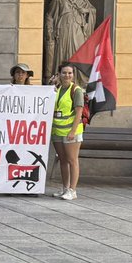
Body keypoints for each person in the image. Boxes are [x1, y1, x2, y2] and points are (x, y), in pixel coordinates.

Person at [44, 0, 96, 80]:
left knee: (79, 51)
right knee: (64, 53)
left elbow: (92, 10)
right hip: (64, 30)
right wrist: (49, 32)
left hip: (79, 30)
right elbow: (50, 15)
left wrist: (85, 10)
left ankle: (79, 80)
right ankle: (61, 79)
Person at [51, 63, 85, 200]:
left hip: (71, 131)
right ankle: (65, 188)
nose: (67, 75)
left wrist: (72, 131)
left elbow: (79, 113)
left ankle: (73, 190)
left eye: (70, 73)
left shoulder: (76, 90)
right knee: (63, 160)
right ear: (59, 74)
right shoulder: (57, 89)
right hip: (57, 130)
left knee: (72, 160)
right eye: (64, 73)